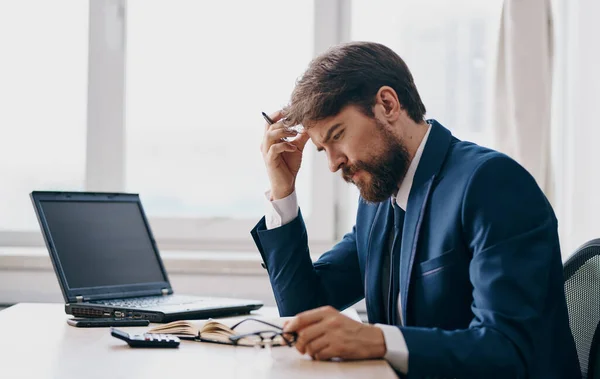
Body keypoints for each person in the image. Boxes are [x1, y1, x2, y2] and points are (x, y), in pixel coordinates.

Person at [251, 41, 580, 378]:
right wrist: (283, 191)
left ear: (387, 104)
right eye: (323, 150)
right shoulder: (377, 203)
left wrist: (377, 340)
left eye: (338, 136)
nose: (334, 164)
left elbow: (509, 348)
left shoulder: (491, 184)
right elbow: (303, 312)